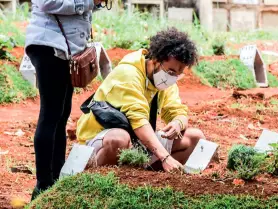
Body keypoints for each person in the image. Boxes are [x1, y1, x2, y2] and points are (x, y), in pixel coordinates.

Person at [76, 27, 205, 172]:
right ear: (156, 60)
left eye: (178, 74)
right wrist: (164, 157)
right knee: (118, 139)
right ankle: (91, 178)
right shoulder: (128, 73)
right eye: (171, 72)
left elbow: (177, 110)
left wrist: (177, 122)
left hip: (137, 141)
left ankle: (143, 178)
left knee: (195, 138)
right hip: (101, 138)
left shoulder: (165, 80)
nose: (173, 78)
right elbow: (138, 121)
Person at [24, 0, 106, 200]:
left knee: (61, 115)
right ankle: (42, 186)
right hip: (49, 46)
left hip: (67, 48)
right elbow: (48, 3)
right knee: (51, 114)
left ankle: (56, 180)